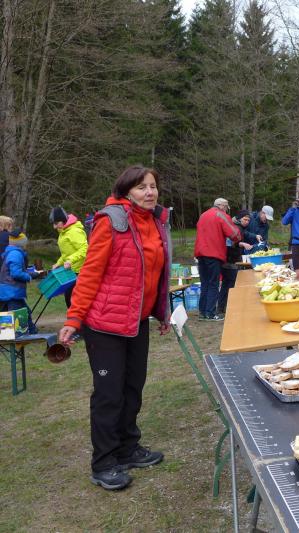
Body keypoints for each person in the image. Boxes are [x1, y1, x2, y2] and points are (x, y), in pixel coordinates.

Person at [58, 165, 171, 491]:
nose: (149, 192)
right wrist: (73, 319)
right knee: (109, 394)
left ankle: (127, 448)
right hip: (105, 324)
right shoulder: (111, 222)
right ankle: (104, 462)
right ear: (125, 191)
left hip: (136, 321)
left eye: (153, 186)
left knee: (133, 388)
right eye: (141, 187)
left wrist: (161, 311)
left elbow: (155, 273)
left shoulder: (155, 222)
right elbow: (90, 273)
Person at [194, 198, 241, 321]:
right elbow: (234, 234)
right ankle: (210, 313)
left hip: (200, 253)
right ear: (222, 206)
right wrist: (236, 232)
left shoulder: (203, 215)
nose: (226, 210)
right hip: (213, 253)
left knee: (205, 283)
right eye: (226, 208)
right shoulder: (221, 215)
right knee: (213, 283)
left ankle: (203, 312)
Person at [0, 231, 43, 327]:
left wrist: (33, 274)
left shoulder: (11, 252)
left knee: (16, 315)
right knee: (19, 317)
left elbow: (16, 270)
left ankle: (14, 333)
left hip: (7, 291)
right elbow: (16, 273)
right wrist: (29, 277)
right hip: (12, 291)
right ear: (21, 243)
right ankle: (26, 333)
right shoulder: (16, 254)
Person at [218, 210, 256, 314]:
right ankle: (225, 307)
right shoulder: (234, 227)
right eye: (245, 219)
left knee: (227, 284)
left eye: (248, 220)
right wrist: (242, 244)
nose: (246, 221)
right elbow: (229, 242)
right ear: (239, 219)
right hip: (229, 260)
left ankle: (222, 307)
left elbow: (245, 234)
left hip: (233, 259)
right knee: (230, 284)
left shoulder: (240, 228)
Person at [50, 206, 89, 308]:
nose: (54, 227)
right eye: (53, 224)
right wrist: (58, 263)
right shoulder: (63, 232)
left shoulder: (74, 231)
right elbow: (66, 254)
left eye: (56, 223)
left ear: (63, 220)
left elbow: (84, 249)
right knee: (68, 299)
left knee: (74, 301)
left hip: (80, 271)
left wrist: (71, 260)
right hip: (70, 271)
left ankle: (78, 318)